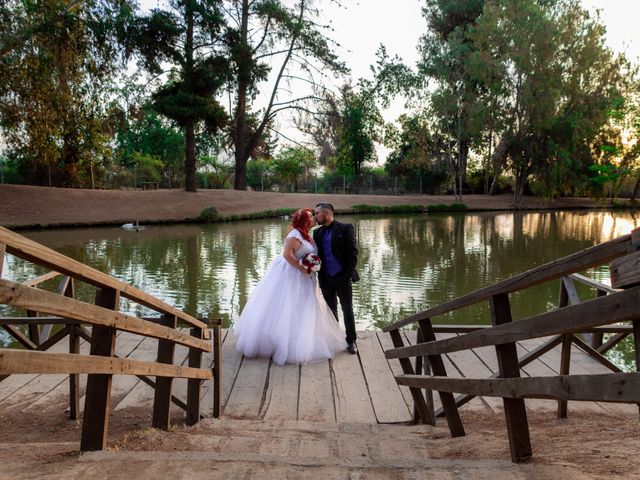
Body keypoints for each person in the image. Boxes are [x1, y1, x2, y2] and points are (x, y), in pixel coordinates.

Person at [234, 208, 346, 365]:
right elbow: (287, 255)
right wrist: (301, 266)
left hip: (306, 277)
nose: (314, 218)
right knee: (288, 307)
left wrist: (311, 264)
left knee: (304, 308)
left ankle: (304, 338)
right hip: (291, 275)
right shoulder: (294, 235)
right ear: (304, 222)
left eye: (314, 216)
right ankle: (282, 344)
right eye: (310, 217)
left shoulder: (308, 234)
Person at [312, 203, 359, 354]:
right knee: (330, 311)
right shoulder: (317, 233)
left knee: (347, 309)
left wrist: (346, 275)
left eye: (317, 213)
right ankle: (335, 339)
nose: (315, 216)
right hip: (325, 278)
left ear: (326, 213)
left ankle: (351, 341)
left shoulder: (346, 229)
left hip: (342, 277)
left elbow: (353, 254)